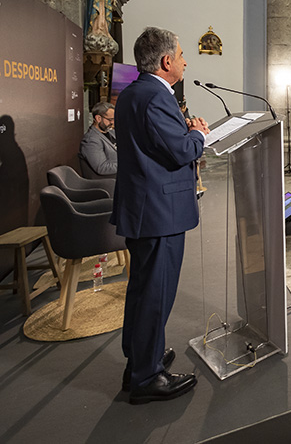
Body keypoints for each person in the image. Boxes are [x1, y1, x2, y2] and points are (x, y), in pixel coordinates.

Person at [111, 27, 210, 404]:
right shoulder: (156, 97)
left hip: (145, 208)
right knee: (156, 293)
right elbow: (180, 151)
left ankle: (139, 359)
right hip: (159, 211)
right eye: (182, 55)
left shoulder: (133, 94)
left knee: (141, 291)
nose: (185, 61)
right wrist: (198, 134)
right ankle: (147, 377)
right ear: (167, 61)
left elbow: (155, 143)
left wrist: (183, 133)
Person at [80, 101, 118, 176]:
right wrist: (127, 165)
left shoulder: (110, 132)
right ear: (98, 118)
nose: (113, 123)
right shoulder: (90, 140)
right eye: (110, 120)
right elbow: (102, 168)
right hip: (110, 180)